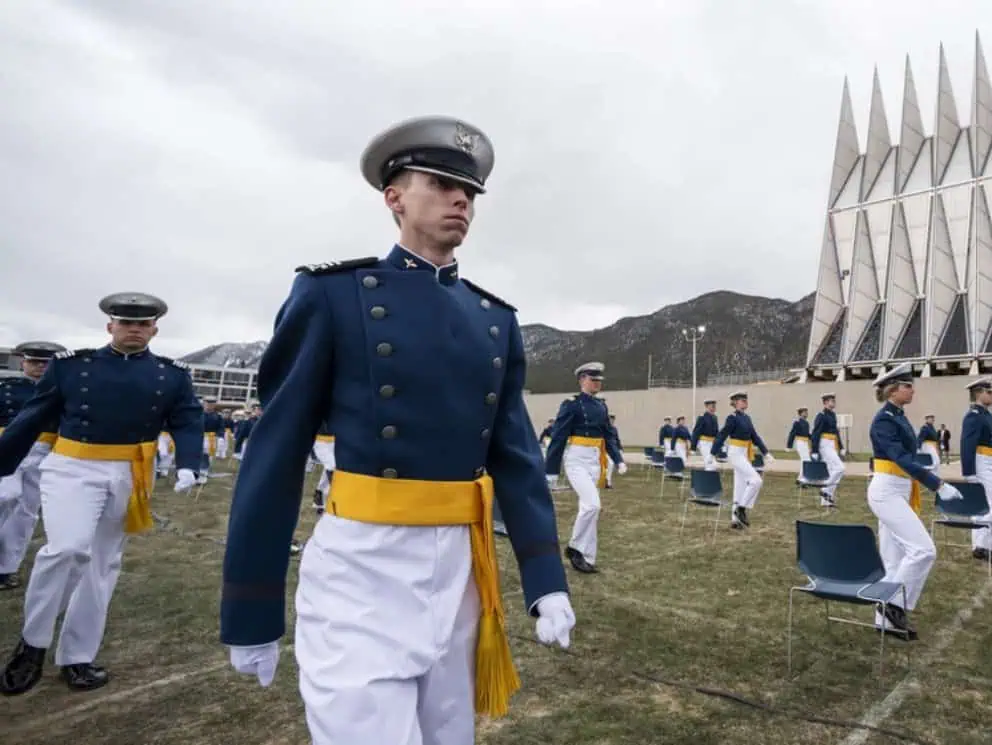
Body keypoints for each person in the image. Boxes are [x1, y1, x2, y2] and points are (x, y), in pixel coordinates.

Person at [220, 116, 576, 744]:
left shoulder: (495, 319)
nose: (461, 199)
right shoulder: (333, 295)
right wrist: (251, 607)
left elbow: (516, 458)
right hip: (362, 570)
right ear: (394, 197)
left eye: (469, 191)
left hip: (461, 575)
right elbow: (274, 453)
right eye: (441, 183)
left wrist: (545, 579)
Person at [0, 293, 200, 694]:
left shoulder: (171, 374)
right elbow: (34, 415)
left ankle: (77, 656)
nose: (134, 330)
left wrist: (190, 463)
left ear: (154, 329)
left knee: (102, 565)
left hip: (129, 471)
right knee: (67, 550)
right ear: (110, 326)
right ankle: (33, 644)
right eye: (126, 322)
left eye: (142, 324)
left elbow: (187, 417)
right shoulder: (73, 367)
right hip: (72, 467)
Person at [867, 366, 962, 639]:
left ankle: (885, 623)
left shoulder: (897, 415)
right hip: (887, 491)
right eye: (908, 385)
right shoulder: (884, 419)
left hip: (899, 488)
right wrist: (937, 484)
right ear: (894, 389)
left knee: (894, 560)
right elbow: (902, 458)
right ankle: (893, 605)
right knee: (923, 550)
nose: (913, 390)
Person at [545, 362, 626, 573]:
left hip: (594, 460)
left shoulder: (601, 406)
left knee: (589, 509)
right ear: (582, 380)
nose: (597, 383)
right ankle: (574, 547)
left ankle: (587, 557)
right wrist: (551, 470)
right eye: (593, 379)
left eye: (599, 380)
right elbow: (558, 437)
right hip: (576, 459)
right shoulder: (571, 404)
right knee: (592, 505)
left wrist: (618, 459)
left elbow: (608, 435)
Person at [0, 341, 65, 590]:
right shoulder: (7, 388)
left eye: (45, 363)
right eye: (34, 361)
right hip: (10, 448)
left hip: (46, 450)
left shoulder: (63, 391)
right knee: (7, 495)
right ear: (23, 362)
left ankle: (6, 568)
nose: (39, 367)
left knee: (26, 512)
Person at [961, 378, 992, 564]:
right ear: (979, 393)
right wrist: (969, 472)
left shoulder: (985, 414)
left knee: (984, 508)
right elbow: (967, 444)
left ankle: (981, 547)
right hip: (980, 464)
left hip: (988, 461)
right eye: (989, 392)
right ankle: (985, 545)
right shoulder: (973, 415)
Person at [712, 390, 773, 529]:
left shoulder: (747, 418)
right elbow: (722, 435)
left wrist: (766, 452)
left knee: (739, 487)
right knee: (756, 480)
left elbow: (755, 436)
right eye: (742, 400)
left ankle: (735, 521)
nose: (745, 402)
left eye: (746, 399)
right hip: (735, 452)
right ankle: (741, 509)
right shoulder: (732, 418)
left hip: (744, 452)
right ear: (735, 403)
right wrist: (712, 453)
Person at [810, 392, 845, 507]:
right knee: (840, 468)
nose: (834, 402)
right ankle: (825, 489)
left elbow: (836, 432)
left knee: (832, 471)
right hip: (824, 444)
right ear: (825, 402)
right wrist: (814, 450)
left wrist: (841, 446)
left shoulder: (833, 415)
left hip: (832, 443)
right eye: (831, 400)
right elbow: (815, 433)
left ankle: (826, 500)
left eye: (834, 400)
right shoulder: (821, 415)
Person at [691, 399, 720, 470]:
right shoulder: (702, 417)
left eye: (714, 406)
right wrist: (693, 447)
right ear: (706, 407)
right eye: (712, 406)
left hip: (712, 443)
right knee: (709, 463)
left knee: (714, 464)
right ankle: (708, 479)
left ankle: (709, 478)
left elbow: (716, 433)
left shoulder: (715, 418)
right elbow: (696, 432)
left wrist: (719, 444)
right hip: (704, 443)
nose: (713, 408)